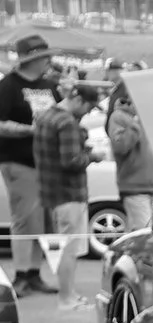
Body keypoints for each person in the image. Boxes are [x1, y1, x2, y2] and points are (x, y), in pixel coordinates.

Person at [0, 34, 56, 295]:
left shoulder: (50, 85)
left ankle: (34, 273)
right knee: (25, 218)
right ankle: (21, 274)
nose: (49, 60)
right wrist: (29, 130)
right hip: (19, 160)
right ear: (32, 59)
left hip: (47, 163)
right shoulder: (9, 86)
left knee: (43, 220)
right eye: (45, 56)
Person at [35, 78, 96, 308]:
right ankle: (66, 298)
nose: (88, 113)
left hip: (50, 192)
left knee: (62, 246)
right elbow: (71, 161)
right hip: (70, 193)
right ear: (78, 100)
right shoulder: (67, 123)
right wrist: (91, 156)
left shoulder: (45, 116)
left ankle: (69, 293)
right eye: (88, 107)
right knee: (69, 249)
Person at [106, 81, 153, 233]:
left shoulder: (152, 115)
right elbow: (121, 147)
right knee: (143, 233)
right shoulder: (118, 117)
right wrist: (134, 124)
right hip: (135, 187)